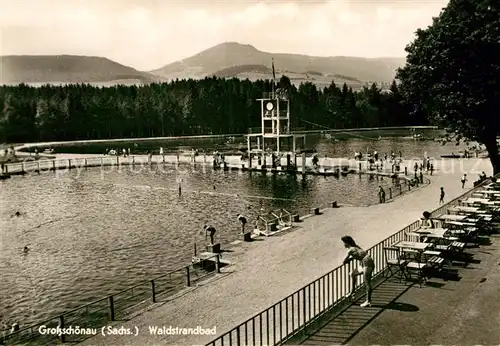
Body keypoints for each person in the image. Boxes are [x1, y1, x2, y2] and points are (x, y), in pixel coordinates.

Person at [341, 236, 374, 307]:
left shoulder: (350, 250)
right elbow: (359, 254)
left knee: (367, 283)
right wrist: (351, 259)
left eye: (344, 243)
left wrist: (348, 260)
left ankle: (368, 301)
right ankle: (352, 292)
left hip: (367, 264)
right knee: (352, 274)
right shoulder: (356, 247)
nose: (343, 245)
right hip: (366, 262)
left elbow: (343, 261)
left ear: (347, 243)